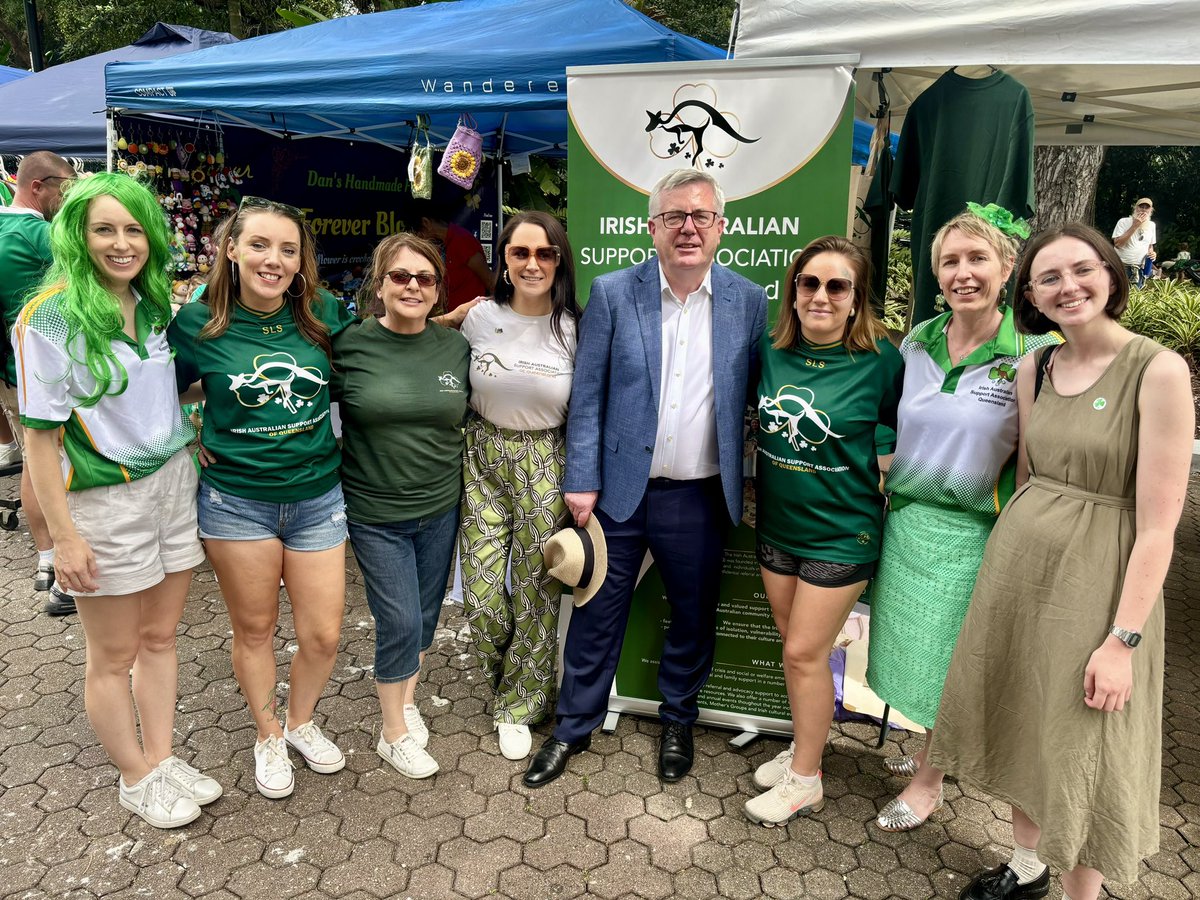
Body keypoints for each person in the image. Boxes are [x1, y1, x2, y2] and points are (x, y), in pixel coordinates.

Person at [930, 224, 1193, 900]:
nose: (1068, 286)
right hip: (1021, 569)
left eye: (1082, 270)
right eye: (1049, 277)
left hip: (1102, 583)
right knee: (1022, 718)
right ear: (1032, 295)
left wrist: (1122, 639)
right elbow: (1026, 477)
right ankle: (1026, 867)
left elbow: (1160, 528)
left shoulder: (1158, 369)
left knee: (1083, 747)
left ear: (1112, 274)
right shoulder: (1036, 366)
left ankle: (1082, 894)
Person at [523, 169, 767, 788]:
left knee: (691, 614)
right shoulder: (612, 293)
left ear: (720, 228)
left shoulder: (748, 300)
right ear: (652, 227)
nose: (688, 228)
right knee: (595, 612)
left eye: (701, 217)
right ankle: (573, 727)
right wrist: (581, 479)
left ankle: (678, 721)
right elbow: (589, 395)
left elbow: (762, 396)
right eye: (675, 217)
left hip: (701, 496)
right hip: (618, 495)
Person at [14, 172, 216, 828]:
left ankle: (159, 759)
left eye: (134, 229)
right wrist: (63, 537)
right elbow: (40, 442)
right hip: (105, 503)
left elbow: (156, 395)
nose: (122, 243)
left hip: (172, 485)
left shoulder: (153, 302)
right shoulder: (49, 316)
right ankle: (134, 777)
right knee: (113, 655)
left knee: (160, 638)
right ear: (78, 234)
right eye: (105, 229)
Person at [862, 206, 1060, 832]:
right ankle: (930, 750)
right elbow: (895, 419)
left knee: (953, 661)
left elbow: (1040, 456)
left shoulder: (1034, 354)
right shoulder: (918, 340)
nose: (963, 273)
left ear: (1008, 268)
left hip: (977, 531)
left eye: (978, 259)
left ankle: (930, 782)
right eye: (950, 261)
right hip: (909, 520)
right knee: (913, 655)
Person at [169, 196, 355, 800]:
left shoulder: (323, 312)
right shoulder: (198, 323)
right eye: (259, 245)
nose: (273, 259)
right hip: (236, 502)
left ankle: (301, 721)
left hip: (317, 498)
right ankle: (268, 733)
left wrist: (451, 323)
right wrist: (189, 436)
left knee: (323, 634)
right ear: (231, 249)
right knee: (255, 628)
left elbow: (379, 353)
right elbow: (163, 394)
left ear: (302, 261)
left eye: (288, 249)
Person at [741, 236, 903, 826]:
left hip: (843, 533)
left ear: (857, 298)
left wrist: (885, 466)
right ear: (794, 291)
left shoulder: (884, 359)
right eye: (810, 283)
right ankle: (804, 747)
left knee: (803, 652)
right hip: (778, 525)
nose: (822, 296)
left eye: (837, 286)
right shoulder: (772, 348)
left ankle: (805, 779)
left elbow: (902, 425)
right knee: (798, 654)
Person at [333, 233, 470, 779]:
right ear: (379, 284)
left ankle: (406, 699)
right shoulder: (349, 345)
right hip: (375, 511)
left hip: (441, 504)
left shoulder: (454, 348)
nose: (413, 286)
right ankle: (392, 732)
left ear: (438, 288)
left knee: (427, 617)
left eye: (425, 278)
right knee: (400, 619)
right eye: (400, 277)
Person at [457, 211, 578, 761]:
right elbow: (417, 335)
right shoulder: (477, 317)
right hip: (481, 453)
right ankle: (515, 676)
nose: (532, 263)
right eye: (520, 252)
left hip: (545, 459)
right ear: (503, 259)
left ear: (559, 261)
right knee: (481, 592)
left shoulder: (575, 328)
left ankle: (520, 702)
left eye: (544, 253)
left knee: (537, 590)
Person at [0, 150, 78, 615]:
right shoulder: (42, 234)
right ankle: (63, 566)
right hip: (47, 369)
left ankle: (46, 559)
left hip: (9, 372)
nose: (66, 198)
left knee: (33, 457)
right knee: (52, 461)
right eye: (64, 188)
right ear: (37, 186)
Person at [416, 207, 496, 312]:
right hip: (454, 320)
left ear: (426, 223)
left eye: (418, 234)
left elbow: (490, 281)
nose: (419, 240)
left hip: (473, 318)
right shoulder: (441, 246)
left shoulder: (462, 240)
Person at [1111, 197, 1156, 288]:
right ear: (1135, 208)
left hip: (1140, 268)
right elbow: (1118, 244)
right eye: (1141, 206)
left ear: (1151, 210)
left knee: (1135, 299)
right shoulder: (1123, 222)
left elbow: (1150, 245)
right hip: (1121, 266)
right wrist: (1135, 225)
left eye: (1146, 207)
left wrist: (1152, 253)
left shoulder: (1152, 225)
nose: (1143, 210)